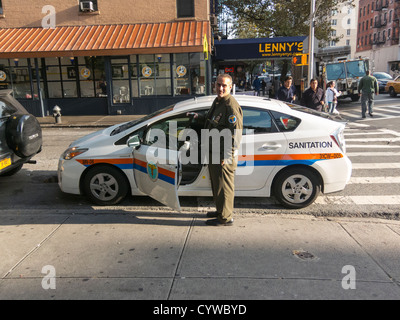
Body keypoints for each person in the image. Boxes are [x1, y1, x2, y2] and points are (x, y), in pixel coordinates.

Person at [204, 74, 243, 226]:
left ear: (230, 87)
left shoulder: (230, 106)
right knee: (218, 186)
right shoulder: (219, 101)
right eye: (218, 84)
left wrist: (227, 156)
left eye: (224, 86)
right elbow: (213, 122)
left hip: (223, 155)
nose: (220, 88)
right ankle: (221, 210)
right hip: (215, 152)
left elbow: (235, 134)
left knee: (225, 187)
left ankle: (225, 218)